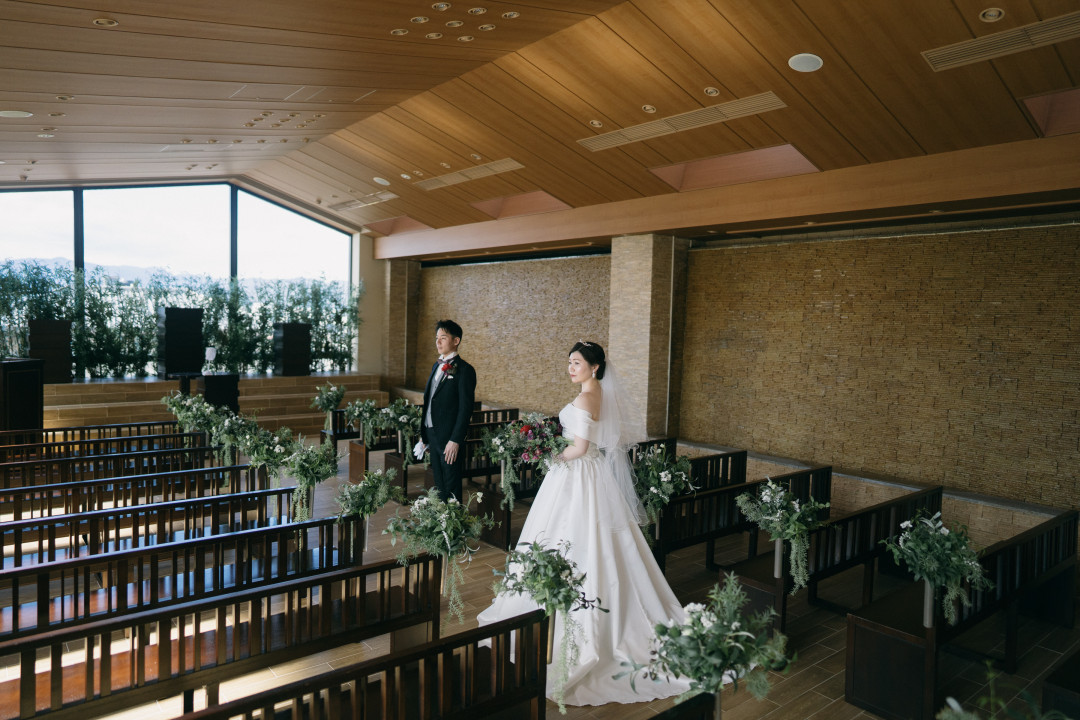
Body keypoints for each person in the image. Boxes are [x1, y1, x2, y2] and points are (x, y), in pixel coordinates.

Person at [476, 340, 690, 706]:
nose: (571, 368)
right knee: (578, 537)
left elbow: (578, 447)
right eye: (569, 362)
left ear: (594, 367)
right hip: (585, 473)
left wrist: (547, 453)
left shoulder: (589, 397)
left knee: (574, 537)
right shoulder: (596, 393)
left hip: (577, 473)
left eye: (577, 363)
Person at [417, 319, 477, 502]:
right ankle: (441, 526)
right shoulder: (436, 366)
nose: (438, 342)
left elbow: (466, 409)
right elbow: (429, 401)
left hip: (449, 438)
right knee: (439, 484)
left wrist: (455, 440)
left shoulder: (465, 370)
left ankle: (453, 528)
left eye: (443, 337)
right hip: (432, 433)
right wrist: (424, 435)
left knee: (451, 486)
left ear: (456, 340)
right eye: (437, 338)